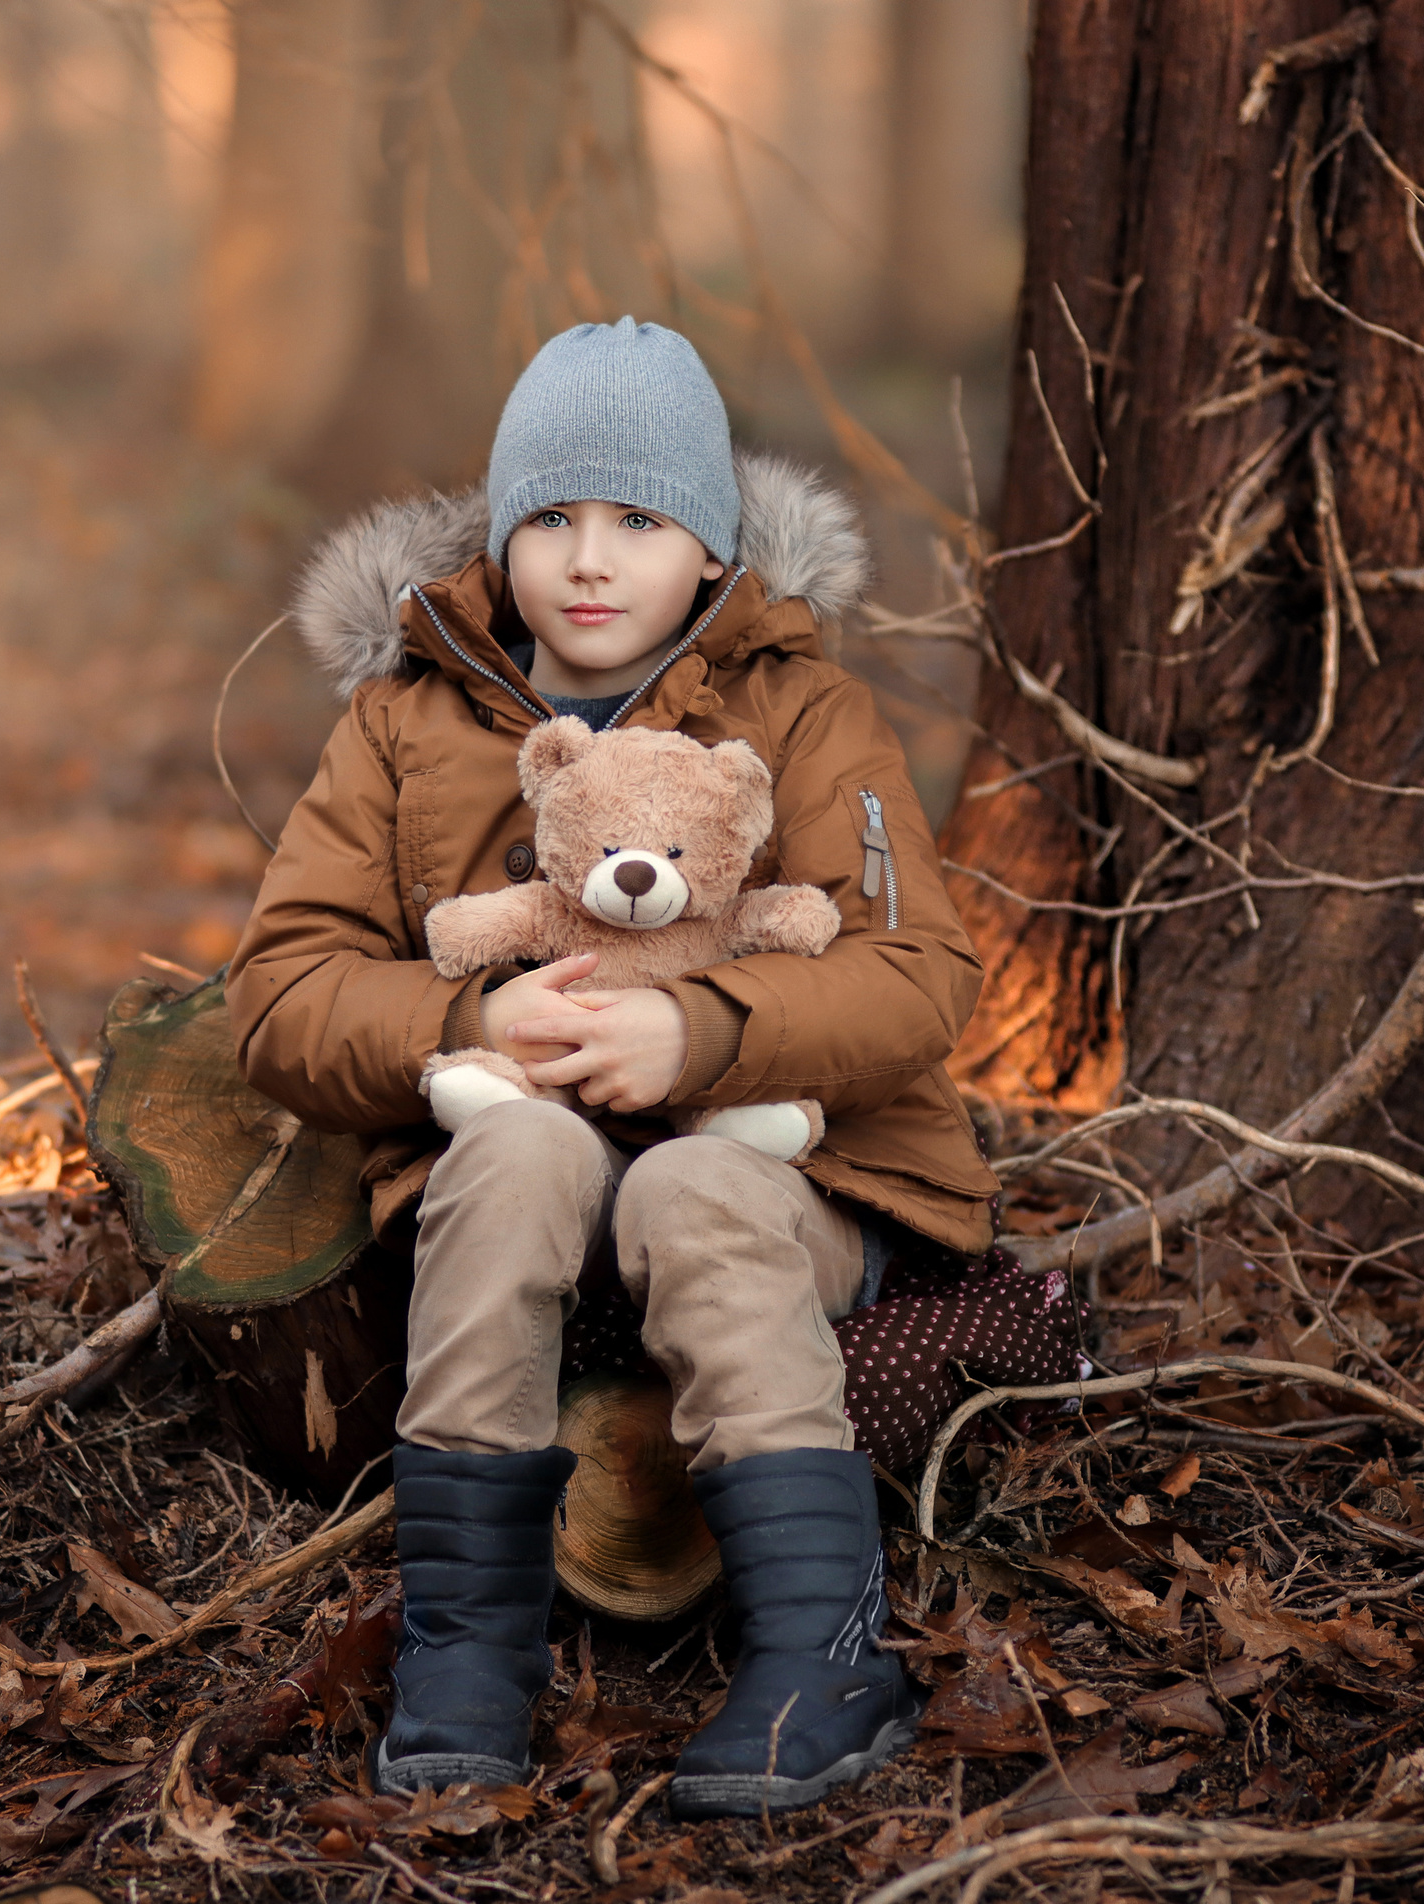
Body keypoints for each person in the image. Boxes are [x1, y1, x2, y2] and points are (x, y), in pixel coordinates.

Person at [227, 317, 999, 1819]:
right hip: (531, 1168)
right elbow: (281, 991)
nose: (589, 559)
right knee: (513, 1156)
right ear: (502, 535)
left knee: (701, 1191)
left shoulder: (803, 706)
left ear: (708, 552)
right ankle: (466, 1647)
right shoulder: (408, 717)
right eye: (551, 519)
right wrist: (467, 1029)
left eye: (638, 522)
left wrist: (702, 1032)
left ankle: (822, 1653)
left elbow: (921, 974)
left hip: (782, 1170)